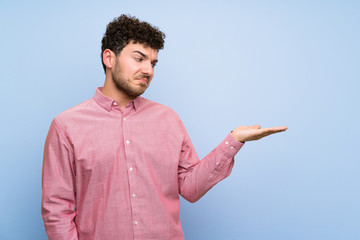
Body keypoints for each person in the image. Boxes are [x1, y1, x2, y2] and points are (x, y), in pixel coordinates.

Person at [41, 14, 287, 240]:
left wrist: (234, 139)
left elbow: (190, 188)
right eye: (139, 58)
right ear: (109, 58)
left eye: (153, 63)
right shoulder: (66, 126)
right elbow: (57, 210)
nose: (147, 70)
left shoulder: (168, 119)